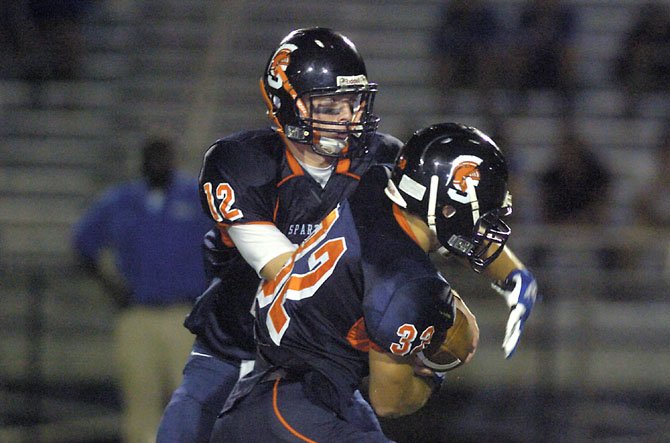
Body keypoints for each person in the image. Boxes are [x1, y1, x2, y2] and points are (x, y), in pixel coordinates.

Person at [210, 122, 538, 442]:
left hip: (279, 395)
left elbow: (444, 233)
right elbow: (389, 401)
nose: (483, 229)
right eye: (482, 215)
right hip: (294, 410)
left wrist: (513, 275)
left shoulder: (375, 183)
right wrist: (435, 375)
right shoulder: (409, 283)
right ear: (448, 207)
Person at [156, 27, 404, 442]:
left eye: (352, 102)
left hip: (316, 369)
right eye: (328, 104)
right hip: (234, 352)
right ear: (285, 104)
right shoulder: (243, 164)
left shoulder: (381, 163)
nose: (345, 116)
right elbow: (290, 278)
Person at [71, 137, 212, 443]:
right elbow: (83, 243)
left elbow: (228, 244)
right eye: (152, 156)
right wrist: (112, 288)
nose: (157, 163)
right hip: (137, 313)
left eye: (163, 155)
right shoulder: (122, 200)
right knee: (139, 402)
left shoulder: (195, 197)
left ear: (174, 158)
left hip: (184, 314)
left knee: (190, 401)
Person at [431, 0, 502, 114]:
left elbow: (494, 42)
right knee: (445, 62)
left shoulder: (486, 17)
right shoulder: (450, 16)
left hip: (478, 59)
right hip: (457, 59)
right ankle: (445, 101)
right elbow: (440, 42)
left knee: (486, 60)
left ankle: (486, 101)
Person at [510, 0, 578, 116]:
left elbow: (568, 43)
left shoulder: (565, 16)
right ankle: (517, 102)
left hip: (555, 65)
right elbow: (520, 42)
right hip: (532, 65)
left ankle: (567, 107)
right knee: (519, 58)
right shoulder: (527, 16)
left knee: (567, 56)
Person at [613, 1, 670, 117]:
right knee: (638, 72)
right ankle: (631, 110)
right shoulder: (638, 34)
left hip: (664, 74)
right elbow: (623, 60)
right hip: (645, 76)